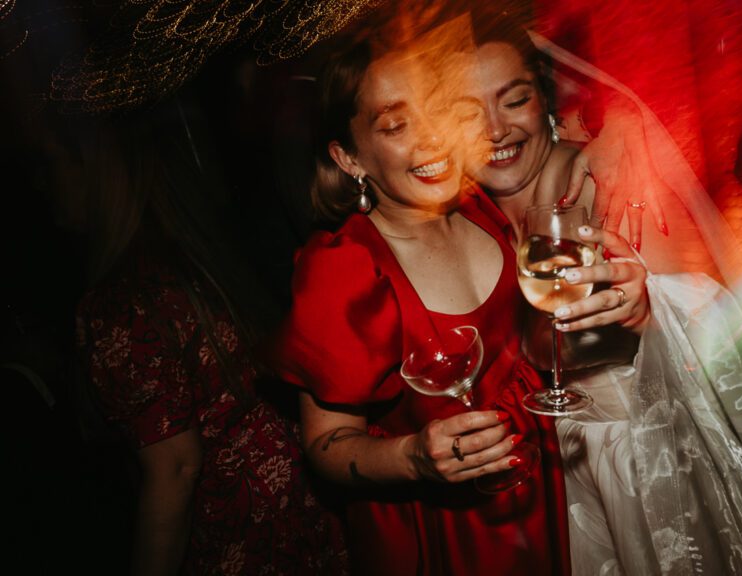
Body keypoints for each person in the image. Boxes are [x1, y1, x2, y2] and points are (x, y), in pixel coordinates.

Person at [457, 10, 742, 575]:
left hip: (653, 479)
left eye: (514, 99)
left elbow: (715, 330)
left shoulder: (605, 184)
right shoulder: (461, 217)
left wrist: (643, 318)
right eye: (466, 112)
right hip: (553, 486)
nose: (495, 129)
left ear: (545, 100)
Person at [271, 18, 571, 576]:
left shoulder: (484, 203)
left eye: (438, 108)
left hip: (549, 491)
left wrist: (620, 133)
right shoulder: (345, 268)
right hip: (444, 533)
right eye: (395, 125)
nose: (431, 137)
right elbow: (327, 445)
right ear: (349, 158)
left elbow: (561, 155)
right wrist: (412, 458)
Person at [76, 108, 349, 575]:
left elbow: (175, 469)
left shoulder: (120, 303)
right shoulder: (194, 252)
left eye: (50, 163)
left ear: (94, 173)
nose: (41, 184)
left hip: (243, 528)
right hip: (298, 494)